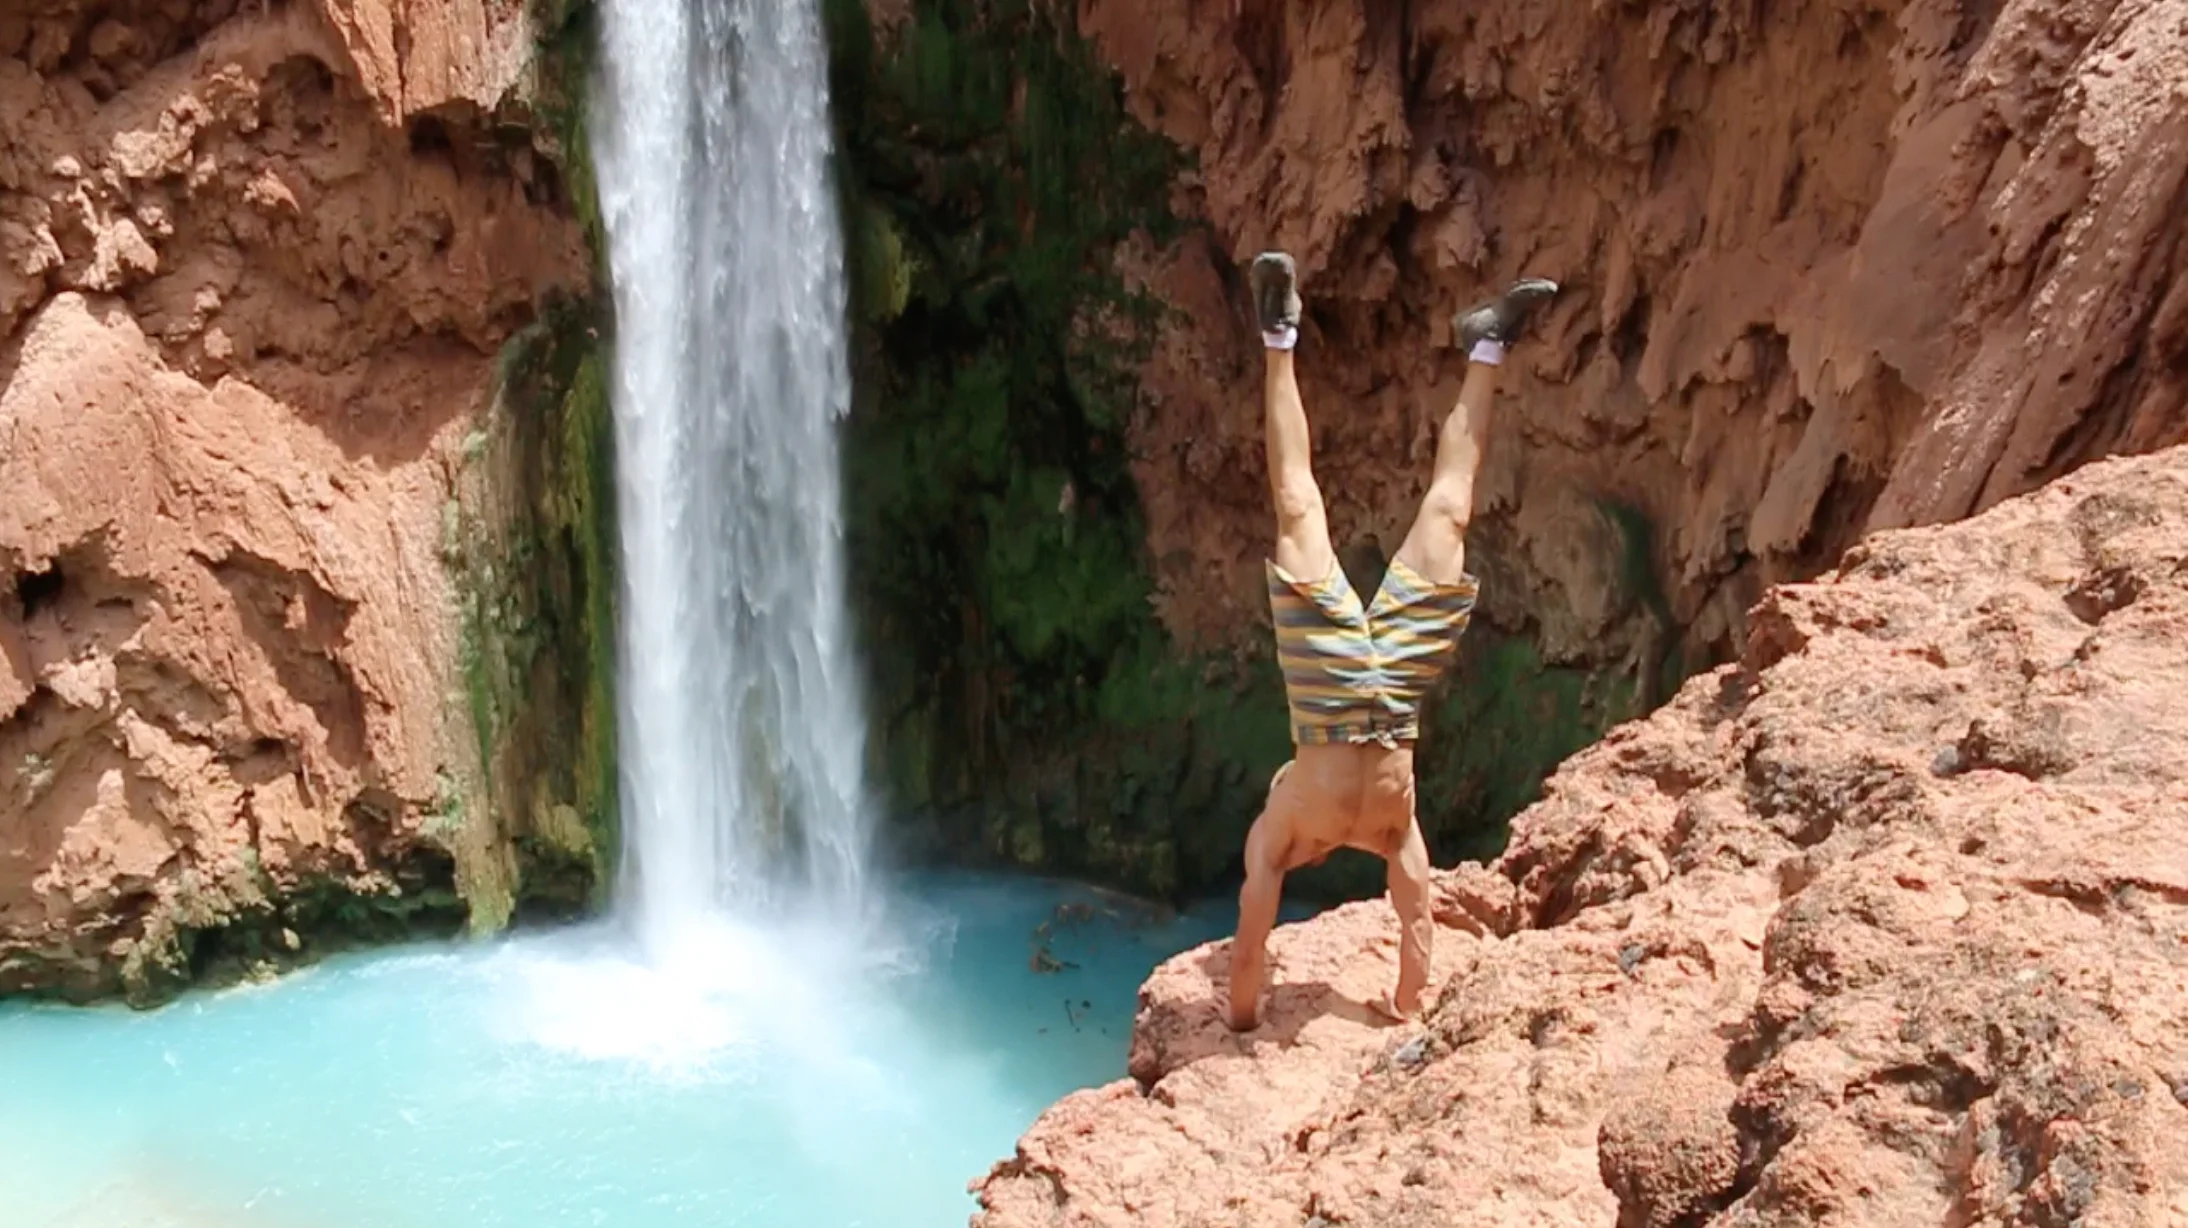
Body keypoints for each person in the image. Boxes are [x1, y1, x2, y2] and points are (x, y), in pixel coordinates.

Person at [1225, 250, 1557, 1032]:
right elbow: (1416, 921)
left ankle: (1279, 334)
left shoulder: (1282, 819)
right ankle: (1489, 346)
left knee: (1298, 505)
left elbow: (1247, 949)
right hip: (1395, 696)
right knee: (1451, 513)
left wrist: (1239, 1019)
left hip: (1327, 691)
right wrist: (1406, 1006)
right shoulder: (1394, 828)